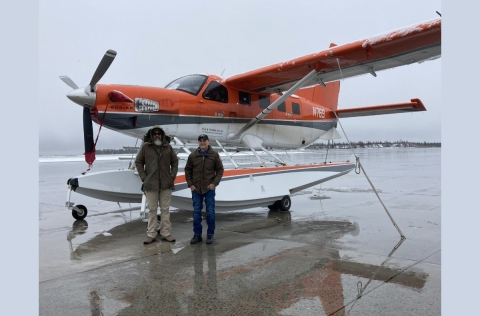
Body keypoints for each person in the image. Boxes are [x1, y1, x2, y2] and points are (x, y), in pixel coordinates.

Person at [135, 126, 178, 244]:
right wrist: (144, 178)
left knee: (165, 209)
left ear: (162, 135)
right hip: (150, 184)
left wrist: (172, 176)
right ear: (151, 135)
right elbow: (138, 162)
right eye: (155, 134)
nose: (157, 135)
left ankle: (166, 233)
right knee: (152, 210)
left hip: (166, 184)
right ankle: (151, 234)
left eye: (159, 133)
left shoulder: (168, 148)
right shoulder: (145, 148)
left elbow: (175, 162)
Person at [185, 134, 224, 244]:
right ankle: (197, 235)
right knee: (196, 212)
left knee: (210, 212)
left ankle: (210, 235)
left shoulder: (214, 155)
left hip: (209, 189)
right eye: (200, 141)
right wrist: (191, 184)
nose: (202, 142)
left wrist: (214, 184)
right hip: (196, 189)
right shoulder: (192, 156)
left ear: (208, 142)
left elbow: (220, 170)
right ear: (198, 142)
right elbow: (187, 170)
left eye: (204, 140)